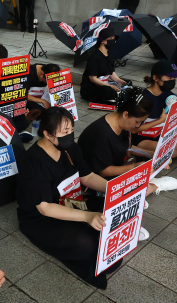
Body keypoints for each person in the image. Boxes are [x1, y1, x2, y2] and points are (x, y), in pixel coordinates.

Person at [16, 107, 118, 289]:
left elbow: (86, 176)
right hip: (40, 218)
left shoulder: (70, 148)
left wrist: (114, 189)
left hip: (73, 202)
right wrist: (87, 216)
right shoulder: (34, 161)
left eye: (71, 130)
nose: (69, 135)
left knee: (110, 213)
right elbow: (45, 208)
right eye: (64, 132)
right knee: (87, 244)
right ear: (47, 134)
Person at [77, 87, 177, 239]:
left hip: (116, 172)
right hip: (93, 184)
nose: (138, 126)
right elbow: (103, 171)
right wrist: (134, 168)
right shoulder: (101, 134)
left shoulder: (122, 125)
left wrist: (154, 157)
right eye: (138, 122)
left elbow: (128, 149)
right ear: (126, 114)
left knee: (139, 178)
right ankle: (151, 187)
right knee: (120, 196)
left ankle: (146, 188)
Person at [80, 29, 127, 104]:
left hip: (103, 85)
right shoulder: (95, 57)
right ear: (102, 41)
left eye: (114, 38)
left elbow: (111, 72)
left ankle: (115, 95)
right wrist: (109, 86)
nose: (113, 40)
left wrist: (119, 81)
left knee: (127, 83)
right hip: (91, 88)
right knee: (108, 90)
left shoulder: (110, 55)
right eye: (111, 38)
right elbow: (93, 79)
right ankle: (114, 96)